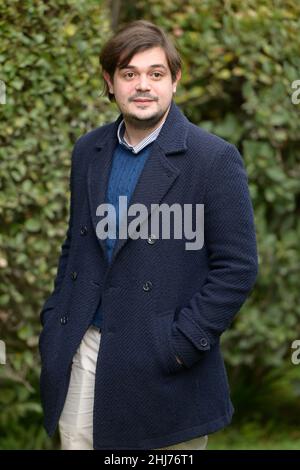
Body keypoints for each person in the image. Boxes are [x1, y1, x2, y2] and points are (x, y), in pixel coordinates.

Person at [38, 19, 258, 450]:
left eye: (156, 74)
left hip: (163, 364)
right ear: (110, 81)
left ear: (174, 80)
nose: (143, 85)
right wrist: (55, 322)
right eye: (129, 73)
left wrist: (180, 344)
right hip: (84, 349)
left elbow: (238, 268)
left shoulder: (213, 158)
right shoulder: (89, 150)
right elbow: (76, 247)